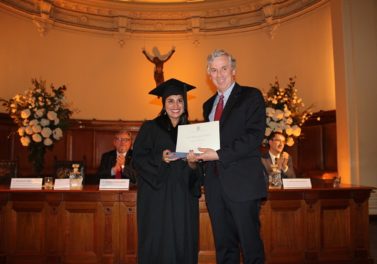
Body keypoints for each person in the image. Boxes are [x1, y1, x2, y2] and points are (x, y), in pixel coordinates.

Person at [195, 49, 267, 264]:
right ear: (209, 74)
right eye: (214, 70)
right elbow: (209, 141)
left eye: (224, 68)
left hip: (242, 183)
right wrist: (195, 152)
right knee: (224, 246)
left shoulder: (251, 95)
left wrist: (217, 154)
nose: (219, 74)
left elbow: (254, 137)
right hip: (215, 185)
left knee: (250, 245)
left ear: (233, 70)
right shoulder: (208, 105)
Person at [132, 78, 201, 264]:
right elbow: (137, 159)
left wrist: (194, 164)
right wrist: (160, 159)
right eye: (170, 100)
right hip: (157, 197)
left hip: (183, 197)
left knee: (183, 238)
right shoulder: (150, 128)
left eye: (180, 100)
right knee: (158, 241)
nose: (176, 105)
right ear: (163, 104)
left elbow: (199, 170)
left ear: (185, 103)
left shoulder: (193, 131)